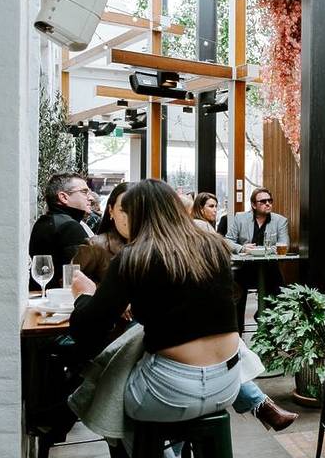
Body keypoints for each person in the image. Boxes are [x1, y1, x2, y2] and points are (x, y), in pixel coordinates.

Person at [76, 181, 297, 433]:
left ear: (135, 214)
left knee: (115, 399)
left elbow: (87, 330)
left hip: (168, 393)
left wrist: (83, 294)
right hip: (227, 386)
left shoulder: (134, 256)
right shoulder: (215, 246)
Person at [226, 188, 290, 328]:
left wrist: (264, 250)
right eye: (263, 201)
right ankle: (237, 334)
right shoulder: (240, 218)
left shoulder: (280, 221)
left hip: (268, 269)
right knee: (234, 297)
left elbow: (284, 244)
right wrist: (243, 248)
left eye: (269, 201)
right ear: (254, 205)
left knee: (279, 297)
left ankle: (269, 336)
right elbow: (227, 240)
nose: (268, 204)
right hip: (244, 268)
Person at [29, 172, 94, 289]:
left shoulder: (44, 221)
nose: (91, 198)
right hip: (63, 301)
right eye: (84, 192)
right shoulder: (69, 226)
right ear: (63, 197)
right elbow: (80, 275)